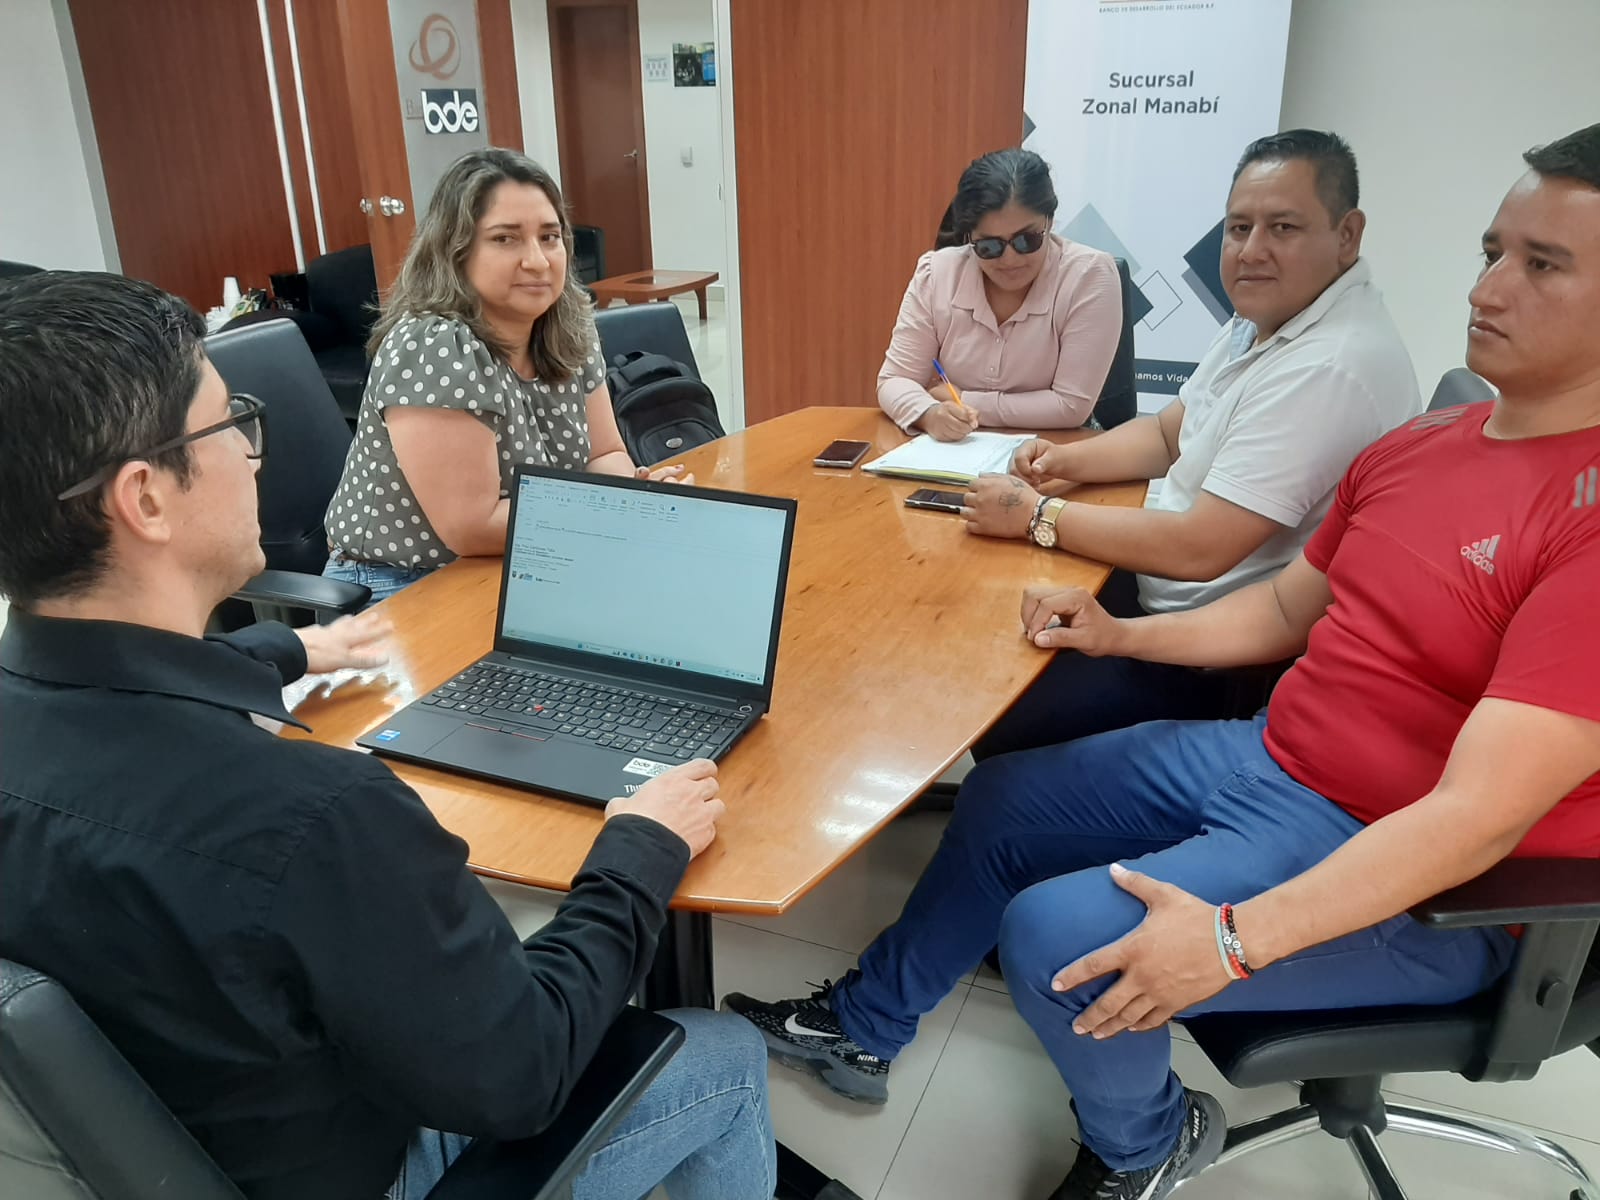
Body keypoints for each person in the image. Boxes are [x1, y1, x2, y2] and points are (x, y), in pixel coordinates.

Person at [725, 123, 1600, 1200]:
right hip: (1278, 761)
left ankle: (1143, 1143)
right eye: (1493, 252)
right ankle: (863, 1028)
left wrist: (1231, 942)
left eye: (1543, 264)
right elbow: (1283, 607)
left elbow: (1477, 819)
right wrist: (1117, 635)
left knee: (1058, 940)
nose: (1488, 288)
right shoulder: (1419, 448)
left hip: (1432, 884)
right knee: (1001, 798)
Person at [0, 271, 776, 1200]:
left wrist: (283, 649)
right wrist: (636, 852)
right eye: (229, 426)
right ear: (146, 499)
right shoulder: (317, 815)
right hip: (370, 1166)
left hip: (180, 1136)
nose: (251, 456)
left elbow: (114, 697)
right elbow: (525, 1072)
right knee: (725, 1054)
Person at [958, 130, 1419, 761]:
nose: (1251, 251)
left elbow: (1201, 547)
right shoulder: (1266, 318)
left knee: (992, 700)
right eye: (1239, 228)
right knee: (980, 613)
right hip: (1157, 587)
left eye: (1283, 228)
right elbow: (1168, 432)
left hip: (1203, 657)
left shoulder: (1329, 366)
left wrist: (1039, 516)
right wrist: (1065, 461)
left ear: (1347, 234)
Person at [324, 148, 689, 604]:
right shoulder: (433, 345)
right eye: (505, 239)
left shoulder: (568, 324)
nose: (537, 260)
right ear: (455, 250)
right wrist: (611, 514)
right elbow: (471, 528)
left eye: (550, 237)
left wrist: (632, 494)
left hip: (532, 558)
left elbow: (605, 453)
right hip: (406, 584)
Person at [876, 148, 1123, 440]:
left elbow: (1070, 406)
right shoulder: (937, 273)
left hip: (1057, 448)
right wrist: (929, 414)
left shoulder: (1089, 275)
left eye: (1026, 240)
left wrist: (965, 400)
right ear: (969, 237)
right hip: (958, 448)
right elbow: (895, 379)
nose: (1010, 259)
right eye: (989, 246)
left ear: (1049, 221)